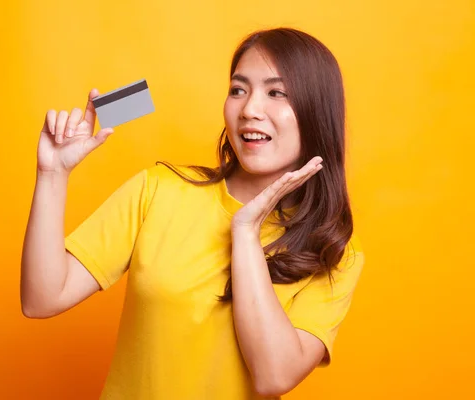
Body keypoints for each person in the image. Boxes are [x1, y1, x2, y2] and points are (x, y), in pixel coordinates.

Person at [20, 27, 365, 400]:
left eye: (276, 92)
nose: (250, 109)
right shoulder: (159, 189)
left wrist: (245, 232)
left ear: (317, 112)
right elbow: (42, 297)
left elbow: (272, 377)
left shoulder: (334, 252)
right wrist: (52, 174)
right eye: (238, 90)